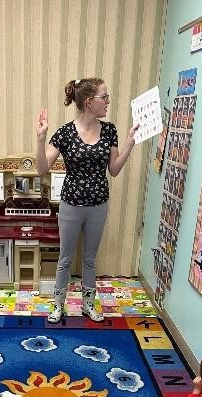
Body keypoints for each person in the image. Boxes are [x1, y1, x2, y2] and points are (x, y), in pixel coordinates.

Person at [36, 78, 138, 323]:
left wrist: (130, 143)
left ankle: (88, 305)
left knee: (90, 259)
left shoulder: (110, 129)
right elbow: (42, 169)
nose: (108, 101)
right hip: (71, 205)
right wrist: (41, 139)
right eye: (104, 97)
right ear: (89, 102)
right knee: (66, 257)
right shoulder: (65, 132)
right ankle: (58, 305)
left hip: (98, 205)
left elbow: (113, 169)